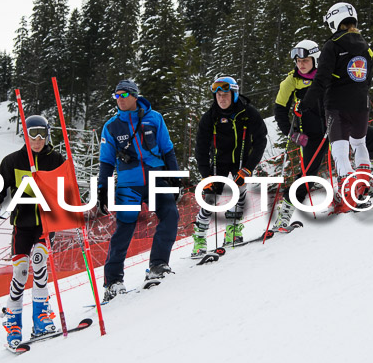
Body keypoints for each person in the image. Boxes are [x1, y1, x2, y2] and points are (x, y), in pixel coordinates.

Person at [0, 115, 63, 349]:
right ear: (25, 136)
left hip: (47, 223)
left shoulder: (55, 159)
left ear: (47, 134)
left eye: (41, 134)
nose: (37, 139)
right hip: (23, 223)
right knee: (20, 270)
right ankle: (13, 321)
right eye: (32, 134)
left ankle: (41, 317)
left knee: (39, 263)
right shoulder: (13, 161)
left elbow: (66, 187)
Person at [96, 79, 180, 296]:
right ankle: (112, 282)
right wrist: (102, 189)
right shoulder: (111, 126)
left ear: (134, 96)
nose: (120, 99)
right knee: (124, 228)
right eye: (116, 96)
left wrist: (175, 177)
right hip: (128, 184)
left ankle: (158, 265)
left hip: (155, 179)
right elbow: (106, 161)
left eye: (124, 95)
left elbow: (168, 149)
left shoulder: (154, 118)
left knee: (170, 214)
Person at [298, 2, 373, 210]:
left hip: (337, 104)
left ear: (334, 21)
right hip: (361, 101)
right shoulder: (365, 46)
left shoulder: (332, 45)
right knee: (360, 144)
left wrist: (304, 104)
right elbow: (368, 77)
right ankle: (363, 186)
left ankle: (349, 195)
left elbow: (321, 79)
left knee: (340, 150)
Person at [191, 76, 267, 256]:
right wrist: (205, 176)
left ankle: (233, 230)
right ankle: (199, 237)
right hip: (218, 161)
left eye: (225, 94)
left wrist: (248, 167)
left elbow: (260, 141)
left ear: (233, 94)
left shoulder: (248, 112)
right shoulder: (210, 117)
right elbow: (200, 148)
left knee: (240, 191)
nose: (221, 99)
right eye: (218, 95)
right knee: (210, 198)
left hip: (242, 160)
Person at [271, 40, 328, 231]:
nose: (301, 64)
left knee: (362, 142)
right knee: (308, 176)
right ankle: (285, 212)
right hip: (310, 135)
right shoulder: (291, 81)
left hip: (334, 128)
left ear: (315, 59)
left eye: (305, 60)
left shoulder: (325, 75)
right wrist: (292, 134)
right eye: (298, 61)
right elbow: (279, 110)